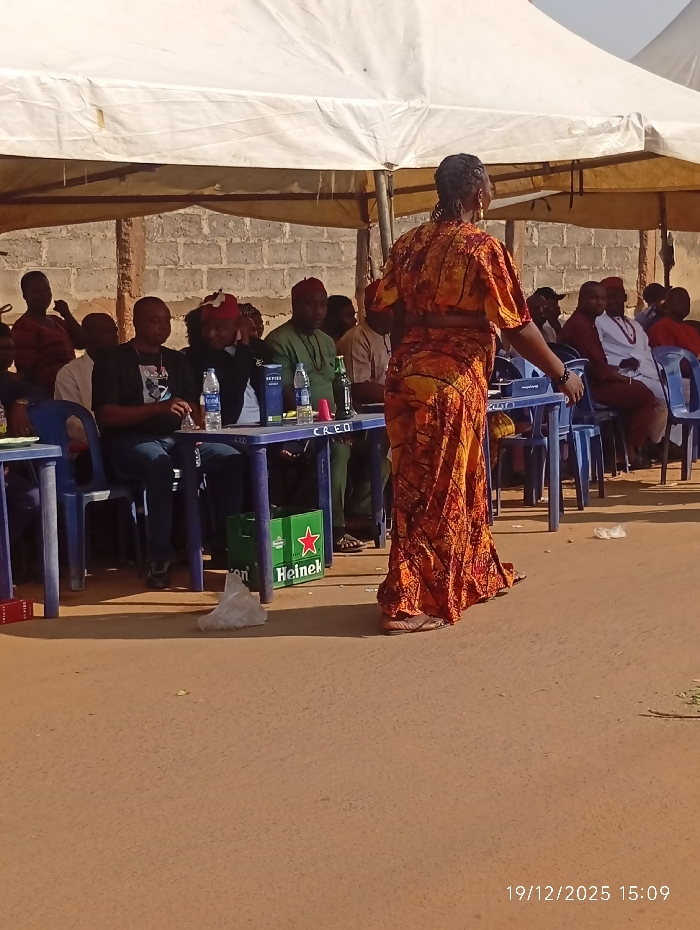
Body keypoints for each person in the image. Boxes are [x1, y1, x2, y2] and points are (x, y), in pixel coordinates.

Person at [374, 153, 583, 634]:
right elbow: (518, 325)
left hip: (406, 374)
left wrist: (421, 343)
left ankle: (471, 574)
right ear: (476, 192)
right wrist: (560, 374)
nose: (492, 189)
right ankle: (410, 602)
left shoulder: (409, 243)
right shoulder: (482, 248)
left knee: (427, 482)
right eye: (489, 182)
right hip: (451, 381)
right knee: (439, 489)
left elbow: (386, 311)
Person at [93, 296, 244, 589]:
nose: (163, 327)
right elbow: (106, 415)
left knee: (230, 458)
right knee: (159, 465)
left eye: (167, 321)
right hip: (129, 440)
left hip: (176, 438)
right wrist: (157, 409)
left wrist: (193, 424)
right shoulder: (113, 360)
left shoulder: (177, 360)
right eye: (155, 321)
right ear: (136, 323)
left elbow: (193, 404)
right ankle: (160, 557)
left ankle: (225, 543)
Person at [265, 278, 366, 553]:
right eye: (310, 304)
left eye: (322, 305)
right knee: (337, 450)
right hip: (301, 429)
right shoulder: (278, 341)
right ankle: (335, 529)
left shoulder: (326, 341)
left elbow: (338, 383)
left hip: (337, 422)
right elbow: (286, 393)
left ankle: (362, 515)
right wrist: (327, 425)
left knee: (382, 445)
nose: (318, 311)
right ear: (295, 305)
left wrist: (345, 421)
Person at [559, 282, 656, 465]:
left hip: (592, 382)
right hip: (588, 389)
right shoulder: (580, 326)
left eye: (602, 299)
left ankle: (622, 448)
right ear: (581, 300)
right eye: (594, 298)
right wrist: (627, 381)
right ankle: (628, 451)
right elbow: (598, 368)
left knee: (637, 393)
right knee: (645, 395)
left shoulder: (587, 322)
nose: (599, 303)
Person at [596, 278, 673, 446]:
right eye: (609, 297)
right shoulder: (599, 322)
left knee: (671, 394)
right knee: (663, 397)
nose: (613, 301)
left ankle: (652, 441)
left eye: (617, 296)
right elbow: (598, 352)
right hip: (622, 374)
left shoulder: (635, 325)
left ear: (625, 297)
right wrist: (621, 362)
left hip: (645, 371)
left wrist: (658, 371)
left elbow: (647, 351)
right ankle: (649, 443)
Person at [184, 291, 273, 425]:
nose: (211, 334)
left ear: (237, 324)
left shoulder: (259, 349)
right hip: (228, 429)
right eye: (206, 327)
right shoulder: (200, 356)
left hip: (266, 424)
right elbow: (232, 397)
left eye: (219, 328)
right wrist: (244, 347)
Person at [12, 271, 84, 394]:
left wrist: (67, 314)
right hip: (47, 393)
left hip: (70, 388)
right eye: (37, 291)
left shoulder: (56, 321)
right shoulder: (24, 326)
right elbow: (26, 370)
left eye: (47, 289)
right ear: (25, 295)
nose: (44, 294)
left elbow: (82, 342)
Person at [54, 313, 119, 442]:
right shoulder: (69, 373)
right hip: (94, 444)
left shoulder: (126, 366)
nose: (114, 336)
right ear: (88, 336)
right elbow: (72, 421)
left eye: (115, 331)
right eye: (107, 332)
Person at [337, 280, 392, 405]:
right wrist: (398, 396)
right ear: (374, 309)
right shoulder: (357, 338)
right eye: (389, 307)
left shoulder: (389, 335)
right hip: (366, 411)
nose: (394, 312)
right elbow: (358, 388)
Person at [648, 288, 700, 356]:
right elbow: (668, 357)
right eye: (680, 300)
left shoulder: (693, 330)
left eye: (688, 300)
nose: (686, 304)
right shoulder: (661, 327)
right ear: (668, 304)